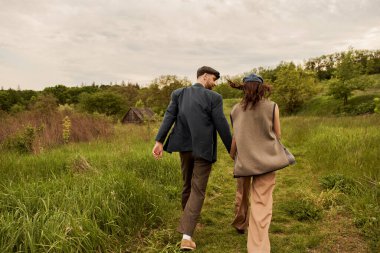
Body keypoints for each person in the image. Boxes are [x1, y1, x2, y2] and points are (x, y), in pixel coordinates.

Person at [152, 66, 232, 251]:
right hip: (203, 149)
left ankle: (188, 223)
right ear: (204, 76)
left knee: (187, 185)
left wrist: (159, 141)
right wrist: (232, 150)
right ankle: (187, 237)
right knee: (197, 190)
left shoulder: (178, 94)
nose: (214, 83)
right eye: (213, 79)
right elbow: (222, 125)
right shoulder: (214, 98)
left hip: (184, 148)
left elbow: (168, 117)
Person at [228, 73, 281, 253]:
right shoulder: (272, 107)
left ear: (244, 89)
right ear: (262, 88)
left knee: (242, 193)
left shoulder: (235, 109)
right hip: (266, 161)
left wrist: (232, 153)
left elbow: (236, 135)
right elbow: (277, 135)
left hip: (244, 160)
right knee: (262, 203)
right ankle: (257, 248)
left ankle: (240, 223)